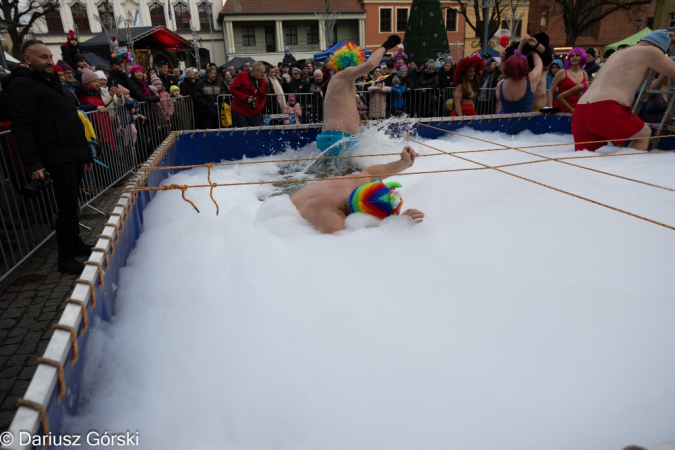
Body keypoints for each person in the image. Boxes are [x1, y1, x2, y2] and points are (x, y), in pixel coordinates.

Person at [7, 40, 94, 274]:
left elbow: (74, 121)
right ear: (27, 60)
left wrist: (86, 152)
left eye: (49, 56)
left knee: (72, 203)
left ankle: (75, 243)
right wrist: (33, 163)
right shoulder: (23, 86)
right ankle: (65, 258)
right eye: (42, 57)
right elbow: (22, 128)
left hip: (73, 152)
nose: (48, 61)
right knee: (65, 208)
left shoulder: (55, 83)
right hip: (55, 156)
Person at [572, 29, 675, 151]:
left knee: (582, 160)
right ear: (658, 47)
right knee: (643, 135)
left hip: (581, 110)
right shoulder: (651, 51)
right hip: (605, 109)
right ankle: (623, 169)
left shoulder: (616, 54)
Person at [290, 145, 424, 234]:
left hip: (288, 201)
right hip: (286, 215)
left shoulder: (356, 183)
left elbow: (373, 171)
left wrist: (403, 163)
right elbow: (349, 248)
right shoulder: (331, 217)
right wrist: (396, 226)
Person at [318, 35, 401, 152]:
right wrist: (385, 46)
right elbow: (370, 64)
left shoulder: (340, 80)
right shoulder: (344, 74)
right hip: (338, 137)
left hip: (336, 136)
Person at [496, 37, 542, 114]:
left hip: (505, 123)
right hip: (525, 122)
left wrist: (504, 60)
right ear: (525, 66)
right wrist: (533, 52)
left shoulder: (500, 85)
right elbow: (539, 64)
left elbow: (499, 104)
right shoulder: (530, 80)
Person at [547, 48, 588, 113]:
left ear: (582, 57)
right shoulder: (562, 72)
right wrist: (550, 108)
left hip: (577, 107)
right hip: (561, 106)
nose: (574, 57)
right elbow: (551, 91)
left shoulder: (585, 74)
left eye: (577, 55)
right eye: (572, 56)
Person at [229, 61, 267, 127]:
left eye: (264, 72)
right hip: (240, 111)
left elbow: (264, 97)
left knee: (255, 134)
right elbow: (232, 89)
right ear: (255, 70)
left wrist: (259, 108)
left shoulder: (262, 81)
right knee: (243, 134)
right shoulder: (242, 76)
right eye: (261, 72)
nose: (263, 74)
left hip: (255, 113)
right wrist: (245, 98)